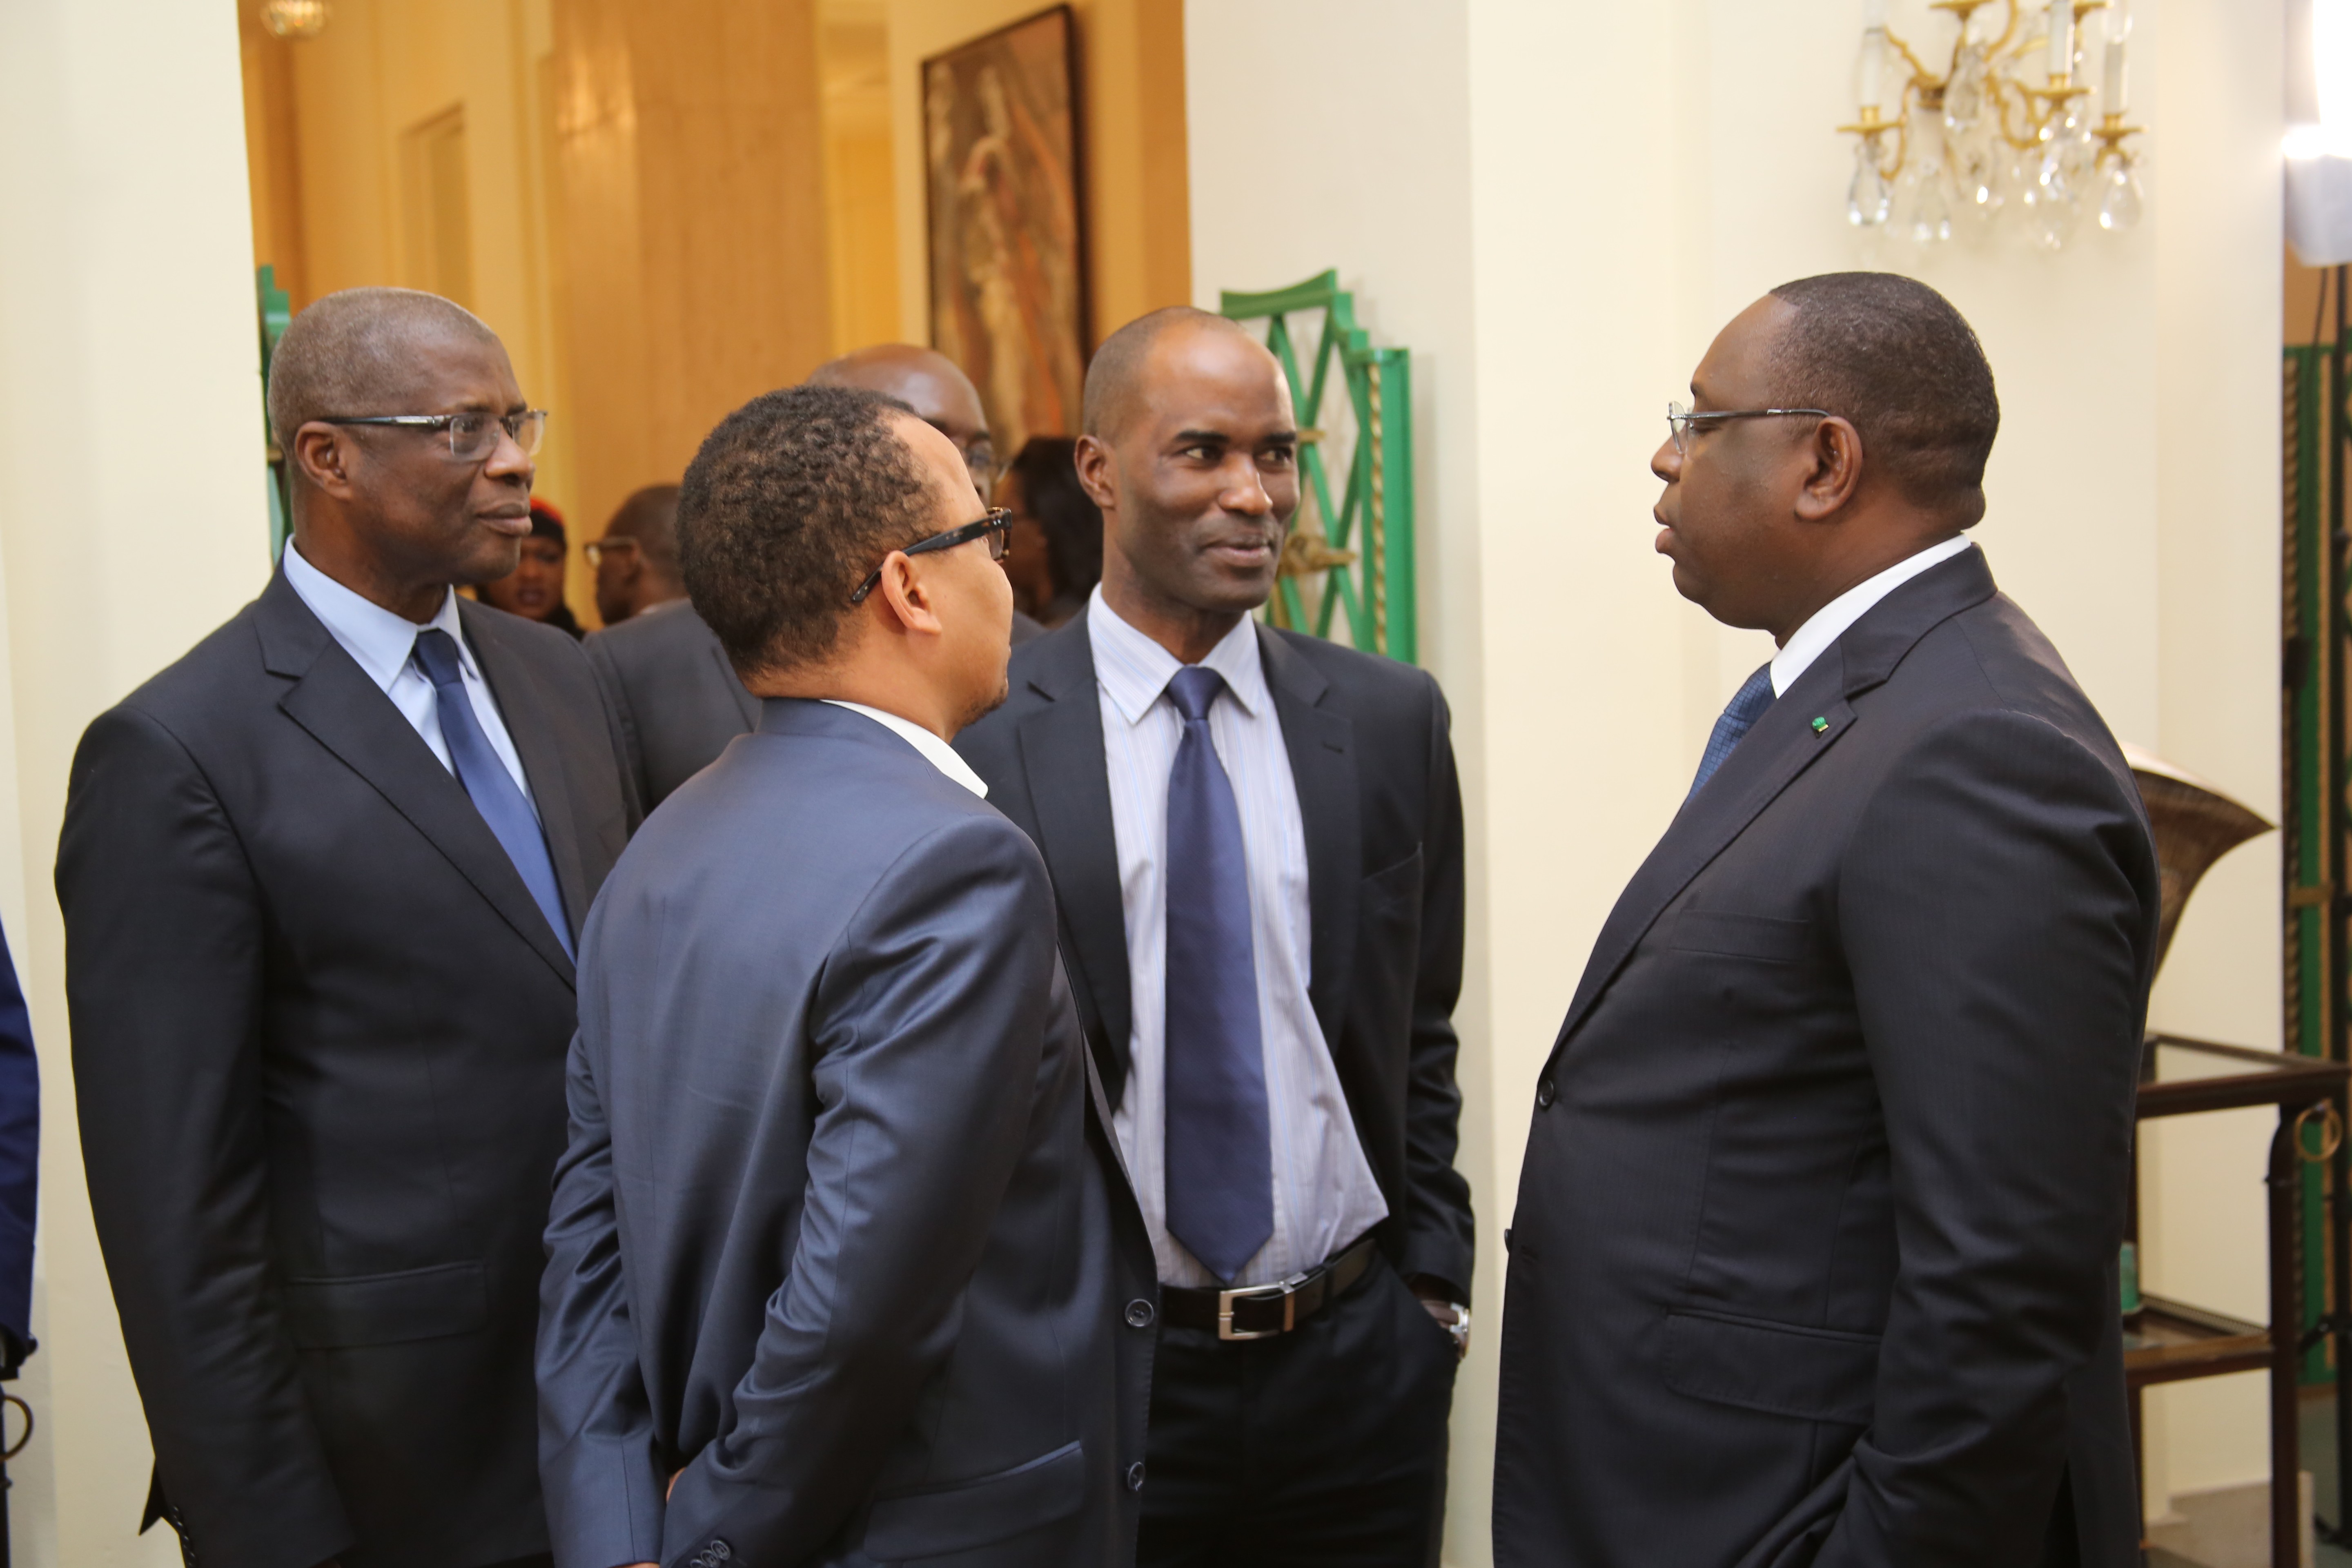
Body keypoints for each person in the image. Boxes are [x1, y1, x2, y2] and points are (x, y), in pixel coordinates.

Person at [1491, 274, 2159, 1568]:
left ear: (1822, 461)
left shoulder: (1978, 744)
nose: (1663, 454)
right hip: (1683, 1477)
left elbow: (2003, 1278)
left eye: (1700, 419)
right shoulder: (1850, 701)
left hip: (1786, 1510)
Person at [58, 286, 636, 1568]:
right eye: (462, 426)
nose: (515, 459)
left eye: (517, 418)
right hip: (386, 1475)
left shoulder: (563, 678)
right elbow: (176, 1211)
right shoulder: (179, 752)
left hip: (622, 1434)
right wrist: (270, 1526)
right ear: (327, 456)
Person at [537, 383, 1152, 1568]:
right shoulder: (953, 865)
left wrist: (623, 1527)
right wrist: (715, 1541)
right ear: (910, 585)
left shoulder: (661, 847)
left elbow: (585, 1251)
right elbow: (857, 1306)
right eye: (986, 531)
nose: (1010, 574)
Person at [955, 307, 1472, 1568]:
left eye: (1278, 454)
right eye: (1202, 452)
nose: (1256, 495)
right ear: (1099, 471)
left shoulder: (1387, 719)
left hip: (1356, 1368)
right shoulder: (987, 740)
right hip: (1108, 1376)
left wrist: (1431, 1293)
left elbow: (1419, 1026)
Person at [585, 346, 1040, 812]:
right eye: (926, 439)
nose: (967, 474)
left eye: (980, 454)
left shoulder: (1031, 658)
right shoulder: (636, 666)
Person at [999, 435, 1102, 628]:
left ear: (1041, 531)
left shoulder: (1057, 639)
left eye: (1003, 522)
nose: (992, 540)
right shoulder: (1103, 617)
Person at [476, 499, 584, 637]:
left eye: (548, 558)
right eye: (515, 557)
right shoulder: (458, 648)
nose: (531, 574)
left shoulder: (588, 652)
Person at [586, 484, 686, 627]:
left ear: (629, 560)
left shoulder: (606, 647)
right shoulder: (724, 640)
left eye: (602, 553)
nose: (597, 575)